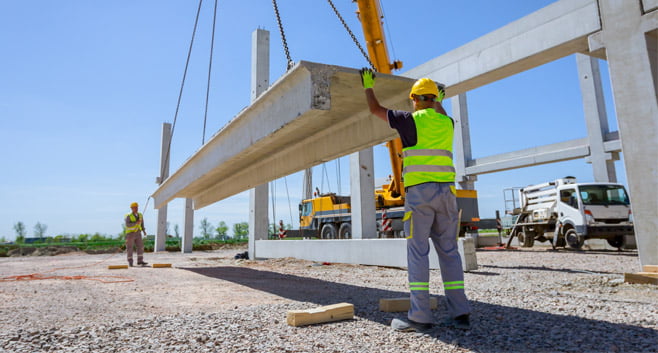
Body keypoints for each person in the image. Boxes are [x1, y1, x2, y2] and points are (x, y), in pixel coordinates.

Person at [359, 68, 471, 332]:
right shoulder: (447, 122)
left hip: (420, 195)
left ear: (414, 98)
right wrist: (440, 101)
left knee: (418, 253)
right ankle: (461, 314)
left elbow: (376, 110)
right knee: (449, 253)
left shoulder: (409, 120)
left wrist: (367, 86)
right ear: (434, 98)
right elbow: (440, 113)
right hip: (447, 195)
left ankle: (420, 317)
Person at [125, 202, 148, 267]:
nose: (136, 208)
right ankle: (130, 262)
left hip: (138, 233)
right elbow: (127, 225)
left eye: (137, 207)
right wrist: (136, 223)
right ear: (131, 208)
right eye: (135, 207)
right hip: (130, 234)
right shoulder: (128, 216)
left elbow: (142, 223)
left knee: (140, 247)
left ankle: (140, 261)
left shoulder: (140, 215)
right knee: (130, 248)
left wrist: (143, 230)